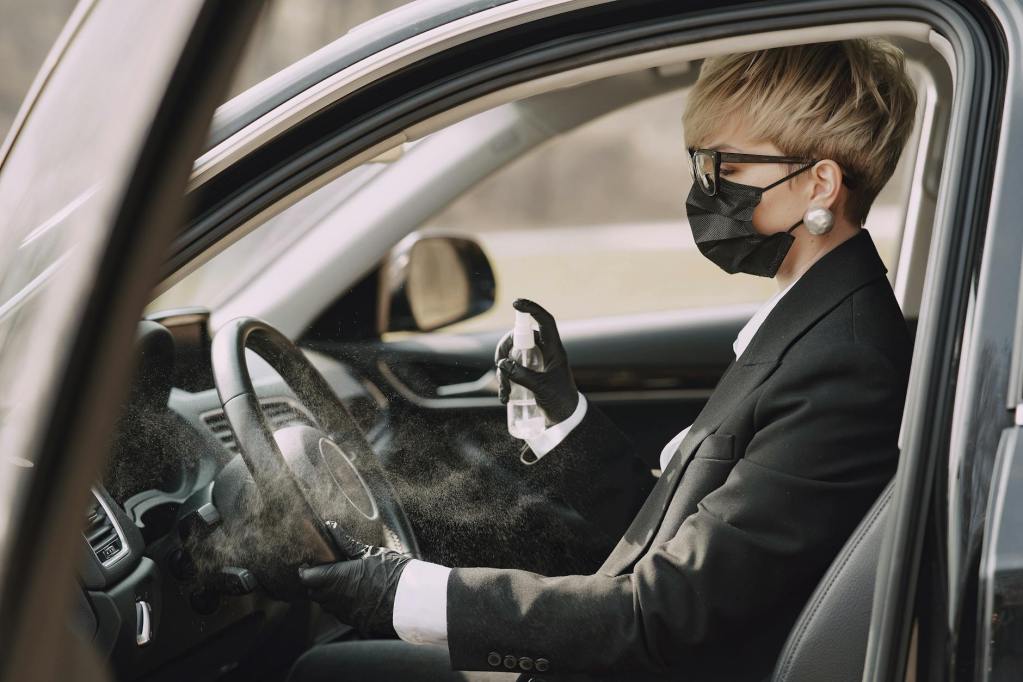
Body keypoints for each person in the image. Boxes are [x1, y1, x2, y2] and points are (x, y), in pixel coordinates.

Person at [289, 38, 918, 681]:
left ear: (820, 183)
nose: (703, 190)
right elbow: (681, 539)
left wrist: (407, 593)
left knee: (322, 672)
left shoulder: (843, 363)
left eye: (724, 167)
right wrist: (563, 417)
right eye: (699, 164)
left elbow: (665, 613)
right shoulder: (812, 325)